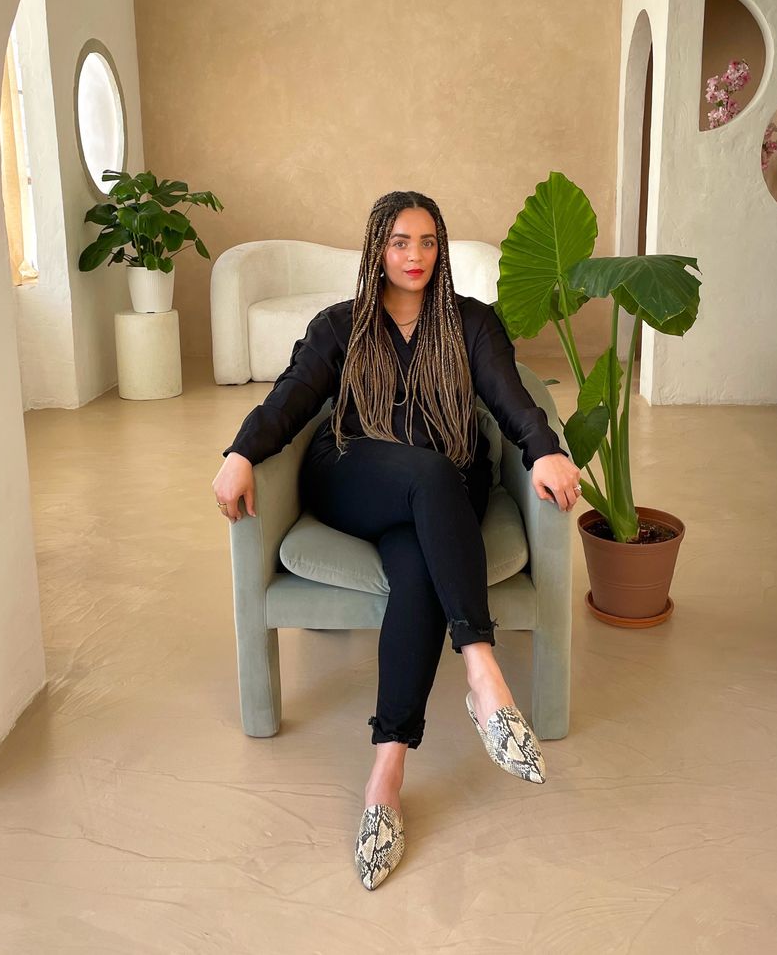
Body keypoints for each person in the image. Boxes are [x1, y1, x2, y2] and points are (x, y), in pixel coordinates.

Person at [212, 191, 582, 890]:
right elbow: (290, 399)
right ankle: (481, 668)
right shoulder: (340, 325)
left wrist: (544, 450)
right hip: (354, 471)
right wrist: (239, 452)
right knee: (429, 471)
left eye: (428, 242)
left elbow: (509, 397)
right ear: (376, 250)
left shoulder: (470, 324)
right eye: (400, 242)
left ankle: (386, 771)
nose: (415, 257)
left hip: (442, 491)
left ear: (440, 251)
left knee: (418, 565)